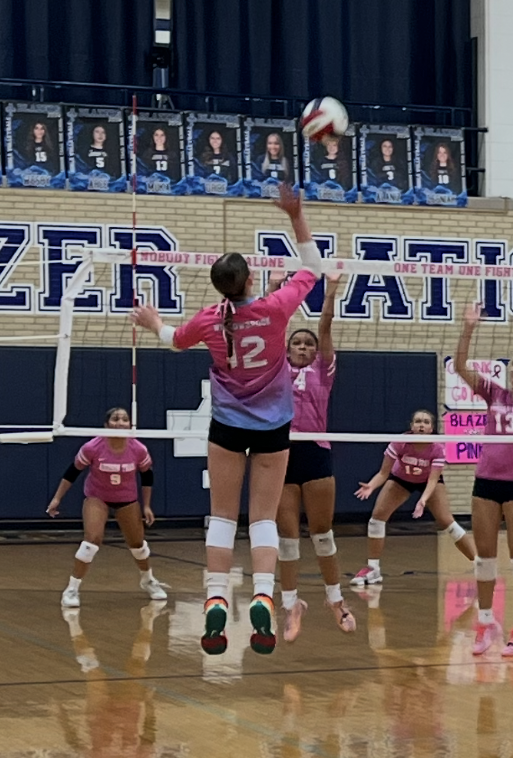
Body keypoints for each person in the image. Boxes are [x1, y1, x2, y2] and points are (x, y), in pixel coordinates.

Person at [131, 183, 322, 656]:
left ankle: (217, 597)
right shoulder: (276, 309)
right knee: (263, 518)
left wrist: (153, 323)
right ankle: (262, 594)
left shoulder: (210, 319)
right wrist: (295, 215)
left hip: (227, 427)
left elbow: (175, 339)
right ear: (251, 279)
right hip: (274, 427)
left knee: (221, 515)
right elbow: (314, 268)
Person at [454, 304, 513, 657]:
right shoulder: (495, 394)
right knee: (484, 560)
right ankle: (485, 623)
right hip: (486, 482)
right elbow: (460, 366)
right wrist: (468, 328)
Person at [275, 272, 355, 641]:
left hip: (316, 453)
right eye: (297, 343)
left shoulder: (323, 371)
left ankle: (335, 600)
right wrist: (274, 288)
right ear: (288, 349)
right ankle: (291, 605)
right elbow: (272, 328)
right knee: (288, 539)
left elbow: (325, 326)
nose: (304, 347)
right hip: (281, 453)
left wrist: (331, 290)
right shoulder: (276, 369)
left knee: (322, 535)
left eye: (309, 344)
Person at [46, 407, 168, 608]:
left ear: (130, 425)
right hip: (97, 497)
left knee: (138, 544)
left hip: (127, 499)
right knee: (92, 541)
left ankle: (148, 580)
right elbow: (72, 472)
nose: (120, 423)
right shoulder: (93, 447)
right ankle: (72, 589)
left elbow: (147, 476)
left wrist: (146, 506)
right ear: (106, 424)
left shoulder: (138, 449)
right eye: (115, 419)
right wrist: (57, 499)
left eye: (124, 419)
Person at [351, 409, 477, 587]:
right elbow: (383, 473)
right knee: (377, 518)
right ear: (411, 426)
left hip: (428, 481)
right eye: (418, 421)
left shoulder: (437, 447)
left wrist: (423, 500)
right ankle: (373, 570)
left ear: (431, 428)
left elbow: (433, 480)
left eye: (426, 422)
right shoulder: (400, 442)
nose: (421, 425)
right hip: (401, 479)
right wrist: (371, 485)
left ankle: (479, 564)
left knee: (446, 521)